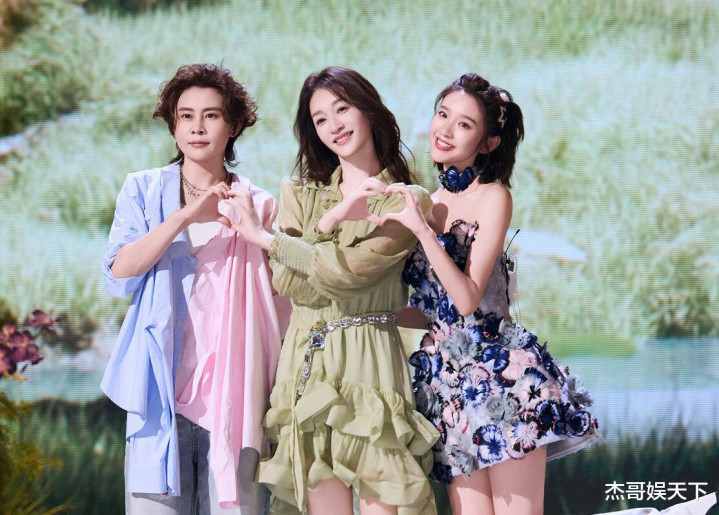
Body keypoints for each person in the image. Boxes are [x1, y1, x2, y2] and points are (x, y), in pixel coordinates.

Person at [382, 73, 600, 515]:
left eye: (463, 124)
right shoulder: (427, 203)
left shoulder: (493, 197)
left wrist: (421, 231)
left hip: (501, 378)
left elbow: (466, 299)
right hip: (446, 388)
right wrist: (369, 312)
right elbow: (433, 312)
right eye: (442, 114)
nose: (444, 130)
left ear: (488, 142)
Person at [228, 66, 439, 515]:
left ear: (368, 110)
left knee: (389, 498)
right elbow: (288, 282)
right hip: (305, 362)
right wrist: (332, 218)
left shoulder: (406, 200)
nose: (334, 126)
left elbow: (348, 276)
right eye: (320, 118)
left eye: (342, 109)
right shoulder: (300, 194)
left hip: (370, 363)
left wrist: (269, 240)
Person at [100, 63, 289, 514]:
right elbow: (118, 274)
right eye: (186, 116)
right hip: (159, 401)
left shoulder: (258, 205)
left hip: (235, 404)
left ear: (234, 125)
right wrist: (184, 217)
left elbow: (282, 308)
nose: (197, 127)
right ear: (173, 124)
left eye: (211, 115)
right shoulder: (143, 190)